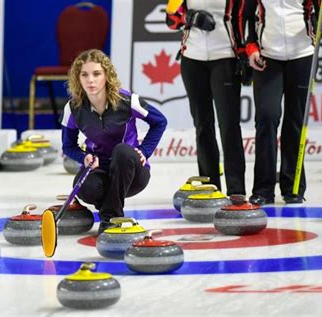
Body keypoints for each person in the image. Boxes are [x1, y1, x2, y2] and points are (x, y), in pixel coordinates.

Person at [61, 49, 168, 234]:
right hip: (100, 169)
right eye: (84, 75)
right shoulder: (73, 108)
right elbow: (68, 146)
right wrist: (84, 157)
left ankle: (110, 217)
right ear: (77, 78)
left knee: (122, 151)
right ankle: (110, 212)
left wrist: (144, 151)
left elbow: (160, 122)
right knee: (85, 188)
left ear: (106, 75)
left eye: (96, 74)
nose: (90, 80)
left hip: (132, 172)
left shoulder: (128, 100)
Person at [243, 0, 322, 205]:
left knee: (295, 121)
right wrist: (251, 48)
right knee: (267, 117)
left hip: (302, 54)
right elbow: (246, 15)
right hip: (267, 56)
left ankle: (293, 187)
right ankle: (263, 189)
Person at [166, 0, 249, 196]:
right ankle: (210, 186)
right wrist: (190, 18)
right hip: (192, 60)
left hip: (225, 57)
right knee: (202, 125)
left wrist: (243, 54)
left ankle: (236, 189)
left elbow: (242, 17)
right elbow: (170, 20)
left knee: (229, 125)